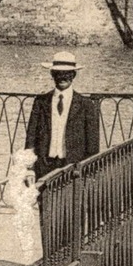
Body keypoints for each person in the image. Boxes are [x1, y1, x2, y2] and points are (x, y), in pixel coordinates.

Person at [23, 51, 101, 179]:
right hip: (44, 165)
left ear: (73, 75)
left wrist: (87, 171)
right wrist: (29, 169)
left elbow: (92, 144)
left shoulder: (86, 104)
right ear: (52, 75)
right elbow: (31, 137)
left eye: (67, 74)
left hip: (73, 168)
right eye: (58, 74)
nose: (62, 77)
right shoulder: (41, 101)